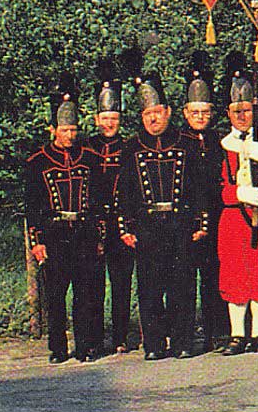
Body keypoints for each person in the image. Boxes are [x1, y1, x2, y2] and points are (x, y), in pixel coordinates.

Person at [117, 57, 206, 360]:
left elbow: (199, 188)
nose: (153, 119)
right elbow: (124, 193)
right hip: (148, 226)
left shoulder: (187, 144)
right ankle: (154, 344)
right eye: (147, 114)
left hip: (180, 224)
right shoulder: (131, 148)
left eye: (157, 112)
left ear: (168, 112)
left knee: (182, 284)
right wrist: (125, 228)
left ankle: (182, 342)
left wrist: (200, 223)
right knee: (150, 288)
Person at [24, 72, 104, 363]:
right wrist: (37, 241)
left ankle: (85, 346)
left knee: (84, 296)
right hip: (54, 236)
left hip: (83, 235)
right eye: (64, 130)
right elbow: (31, 206)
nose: (70, 135)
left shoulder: (90, 157)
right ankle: (57, 348)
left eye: (73, 129)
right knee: (55, 297)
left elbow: (98, 202)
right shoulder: (37, 162)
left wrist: (99, 238)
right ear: (52, 129)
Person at [218, 51, 258, 355]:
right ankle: (237, 333)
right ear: (228, 113)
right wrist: (236, 194)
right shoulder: (223, 145)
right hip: (233, 218)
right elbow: (212, 188)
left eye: (246, 110)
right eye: (236, 110)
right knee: (234, 272)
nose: (242, 116)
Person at [179, 50, 228, 351]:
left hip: (218, 217)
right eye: (194, 113)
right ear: (185, 112)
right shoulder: (176, 141)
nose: (200, 118)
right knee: (184, 280)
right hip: (185, 221)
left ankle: (217, 332)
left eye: (205, 113)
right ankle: (185, 334)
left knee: (214, 277)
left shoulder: (219, 140)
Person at [87, 56, 134, 356]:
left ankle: (120, 334)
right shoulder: (86, 148)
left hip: (121, 222)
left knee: (121, 283)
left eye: (114, 119)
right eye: (105, 119)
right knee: (93, 285)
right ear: (96, 119)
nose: (109, 124)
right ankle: (94, 336)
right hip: (92, 225)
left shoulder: (129, 147)